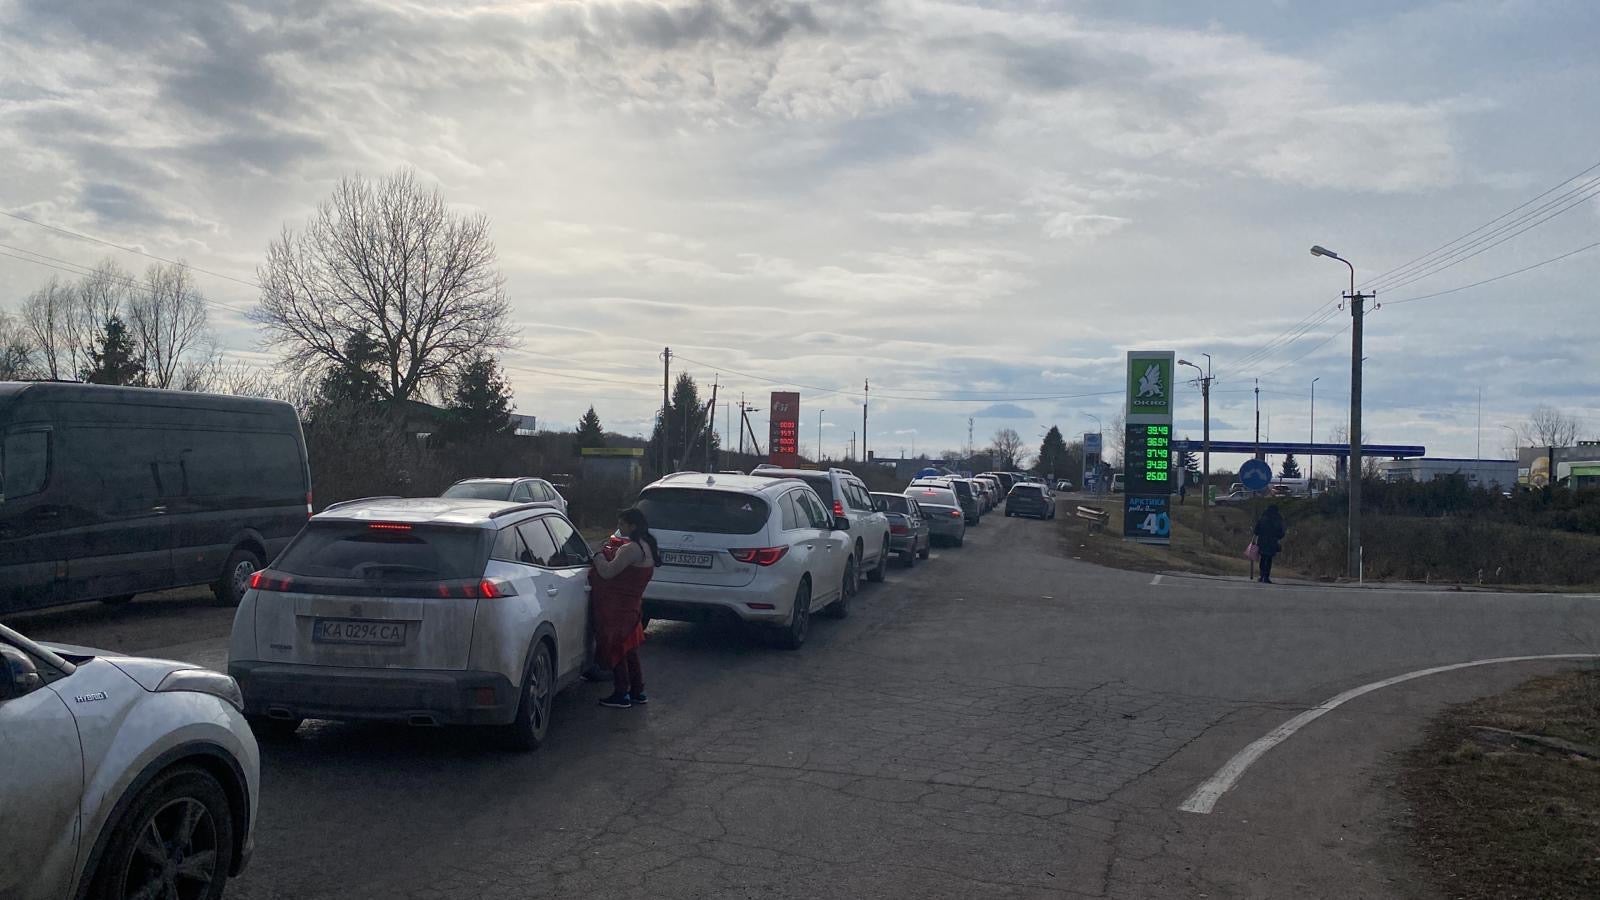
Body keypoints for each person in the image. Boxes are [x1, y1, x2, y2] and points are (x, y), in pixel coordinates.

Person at [589, 507, 660, 708]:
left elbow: (608, 573)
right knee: (629, 649)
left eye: (622, 524)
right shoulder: (648, 546)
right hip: (633, 604)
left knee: (617, 647)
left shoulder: (630, 549)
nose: (619, 528)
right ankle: (637, 691)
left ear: (633, 525)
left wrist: (598, 557)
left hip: (618, 606)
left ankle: (622, 693)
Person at [1253, 504, 1287, 584]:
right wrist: (1278, 538)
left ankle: (1261, 575)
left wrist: (1255, 538)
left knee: (1263, 558)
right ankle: (1266, 576)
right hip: (1272, 542)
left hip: (1262, 541)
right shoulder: (1278, 519)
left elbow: (1256, 531)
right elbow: (1281, 532)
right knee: (1269, 559)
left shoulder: (1262, 518)